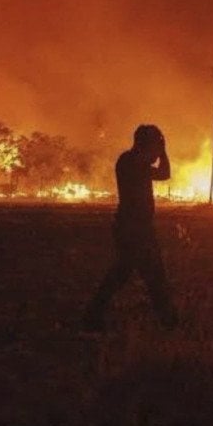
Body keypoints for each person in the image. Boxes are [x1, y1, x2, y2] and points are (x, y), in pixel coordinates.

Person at [83, 124, 179, 331]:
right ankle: (168, 320)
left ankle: (93, 315)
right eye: (154, 144)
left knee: (130, 273)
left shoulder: (136, 162)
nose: (156, 152)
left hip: (138, 227)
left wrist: (161, 151)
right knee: (150, 274)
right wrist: (160, 151)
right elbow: (160, 171)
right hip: (133, 228)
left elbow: (164, 174)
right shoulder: (129, 161)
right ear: (144, 144)